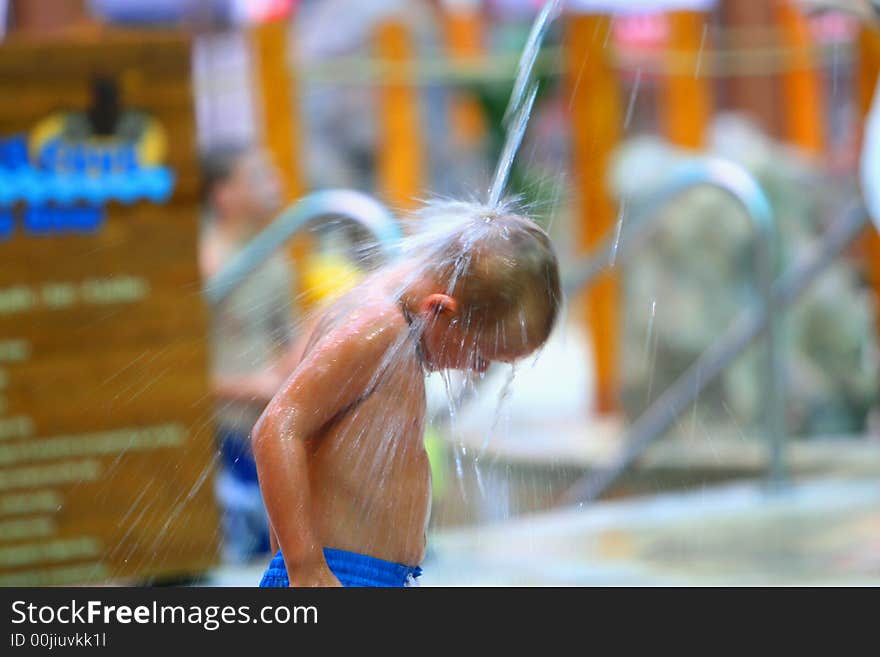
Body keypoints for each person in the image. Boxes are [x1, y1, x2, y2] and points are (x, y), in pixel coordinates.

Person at [254, 201, 561, 587]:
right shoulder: (376, 327)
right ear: (439, 310)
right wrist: (303, 564)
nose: (479, 369)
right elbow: (276, 427)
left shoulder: (404, 320)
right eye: (481, 355)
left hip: (364, 574)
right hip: (334, 574)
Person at [199, 144, 301, 563]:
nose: (276, 185)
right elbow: (165, 378)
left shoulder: (273, 259)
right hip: (216, 442)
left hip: (263, 434)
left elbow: (288, 341)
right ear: (223, 195)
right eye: (259, 176)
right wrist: (247, 387)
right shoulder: (205, 264)